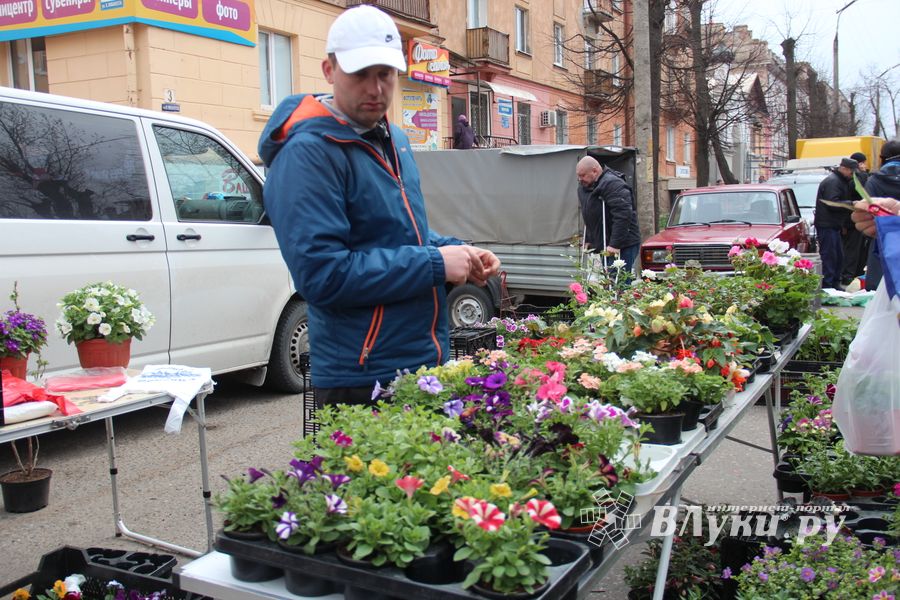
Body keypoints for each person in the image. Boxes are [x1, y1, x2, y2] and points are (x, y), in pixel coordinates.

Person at [258, 5, 501, 406]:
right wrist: (437, 264)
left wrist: (458, 250)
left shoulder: (393, 138)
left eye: (385, 74)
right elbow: (323, 276)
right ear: (328, 70)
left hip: (420, 358)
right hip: (362, 375)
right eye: (360, 74)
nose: (375, 89)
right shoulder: (307, 154)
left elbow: (401, 235)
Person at [575, 156, 641, 274]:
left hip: (623, 244)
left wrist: (615, 244)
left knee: (618, 281)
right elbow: (590, 215)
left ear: (595, 171)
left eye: (583, 175)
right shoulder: (586, 187)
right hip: (605, 242)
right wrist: (590, 238)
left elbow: (623, 215)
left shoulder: (612, 184)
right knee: (609, 280)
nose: (580, 179)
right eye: (578, 176)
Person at [853, 140, 900, 291]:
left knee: (882, 289)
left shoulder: (874, 180)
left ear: (882, 158)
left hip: (881, 238)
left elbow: (867, 208)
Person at [814, 157, 857, 290]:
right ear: (844, 169)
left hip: (832, 224)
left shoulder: (838, 181)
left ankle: (833, 283)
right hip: (827, 225)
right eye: (852, 172)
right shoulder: (834, 182)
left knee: (837, 255)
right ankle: (828, 285)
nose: (853, 175)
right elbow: (832, 203)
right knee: (830, 255)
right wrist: (851, 204)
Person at [841, 151, 871, 286]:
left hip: (852, 219)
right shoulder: (856, 179)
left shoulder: (849, 179)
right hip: (854, 220)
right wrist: (864, 174)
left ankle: (853, 273)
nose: (865, 165)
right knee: (853, 248)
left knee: (854, 248)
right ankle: (849, 274)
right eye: (863, 163)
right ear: (859, 164)